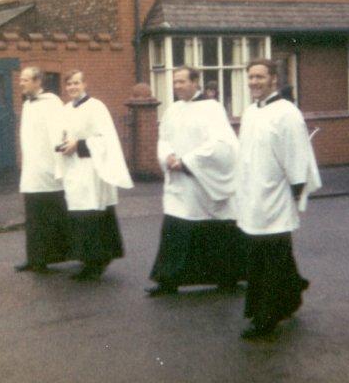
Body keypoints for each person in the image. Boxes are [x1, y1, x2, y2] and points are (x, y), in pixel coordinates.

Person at [235, 59, 321, 339]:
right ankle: (291, 295)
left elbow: (297, 158)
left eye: (260, 77)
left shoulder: (287, 113)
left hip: (276, 199)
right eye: (250, 77)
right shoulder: (249, 112)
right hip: (253, 199)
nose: (254, 82)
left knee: (270, 259)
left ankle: (266, 318)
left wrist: (295, 195)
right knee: (264, 256)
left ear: (273, 79)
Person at [146, 67, 244, 297]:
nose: (177, 86)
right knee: (175, 226)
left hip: (203, 181)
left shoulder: (212, 108)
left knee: (216, 230)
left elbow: (222, 144)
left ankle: (226, 278)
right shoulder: (172, 110)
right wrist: (168, 156)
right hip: (179, 182)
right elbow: (164, 139)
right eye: (175, 82)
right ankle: (168, 280)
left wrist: (187, 161)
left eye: (181, 81)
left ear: (195, 82)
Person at [59, 69, 133, 281]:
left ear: (85, 84)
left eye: (76, 83)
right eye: (69, 84)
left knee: (91, 214)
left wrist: (79, 144)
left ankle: (95, 262)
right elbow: (65, 134)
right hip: (74, 168)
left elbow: (105, 139)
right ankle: (87, 259)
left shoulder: (96, 107)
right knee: (78, 214)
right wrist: (64, 143)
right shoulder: (66, 109)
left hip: (92, 168)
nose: (72, 87)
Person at [15, 66, 70, 273]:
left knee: (49, 217)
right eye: (21, 79)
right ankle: (34, 258)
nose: (21, 83)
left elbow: (58, 134)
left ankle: (46, 258)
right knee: (33, 217)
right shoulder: (28, 104)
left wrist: (57, 166)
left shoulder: (51, 103)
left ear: (38, 82)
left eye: (26, 80)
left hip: (48, 169)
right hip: (32, 170)